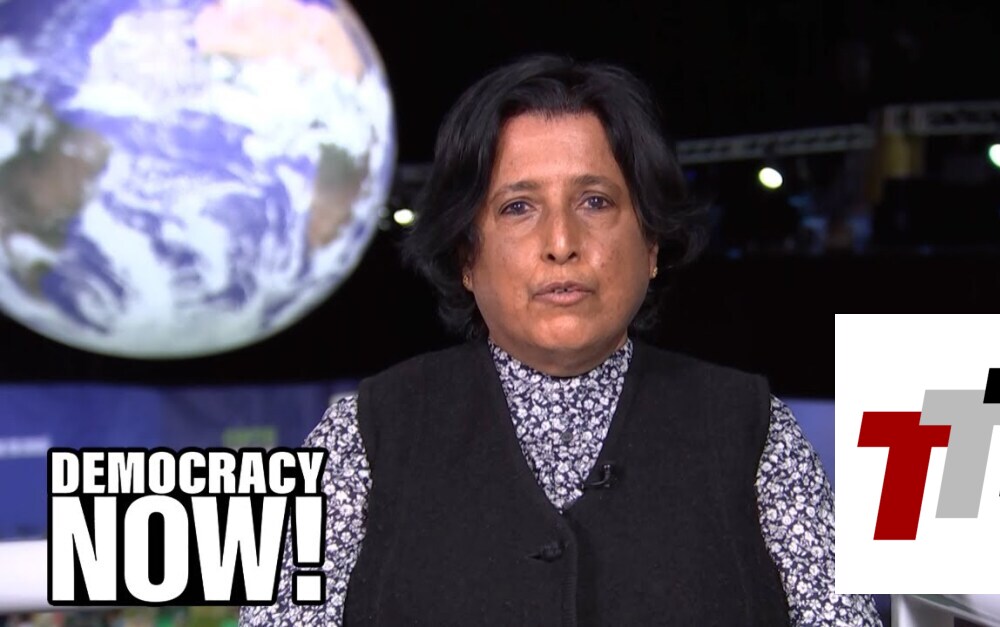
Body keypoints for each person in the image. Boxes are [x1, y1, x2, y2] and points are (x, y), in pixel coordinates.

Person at [241, 54, 883, 626]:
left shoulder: (755, 431)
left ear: (652, 244)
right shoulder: (360, 437)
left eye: (595, 201)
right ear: (466, 257)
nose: (560, 242)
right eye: (518, 207)